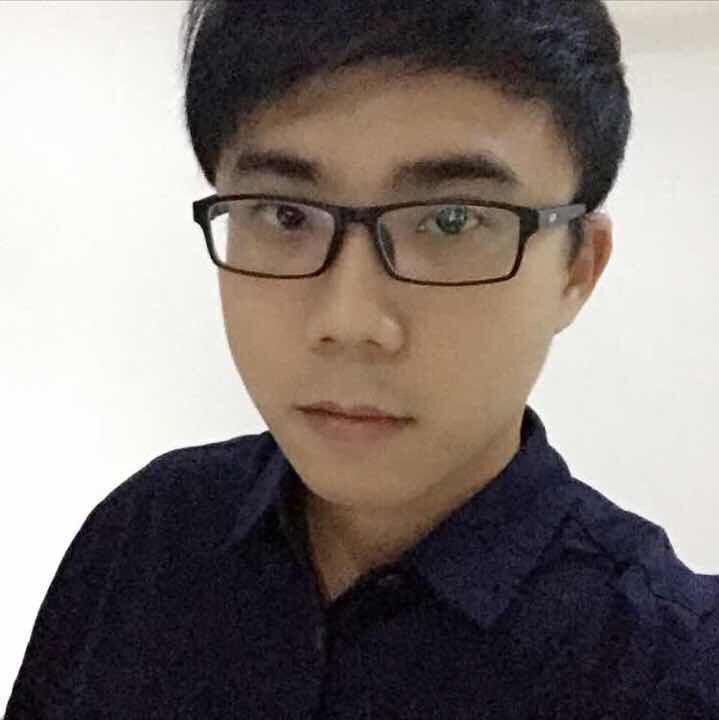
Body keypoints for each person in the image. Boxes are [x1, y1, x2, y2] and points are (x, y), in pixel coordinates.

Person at [5, 0, 718, 717]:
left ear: (577, 270)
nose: (348, 323)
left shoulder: (673, 671)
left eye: (451, 220)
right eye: (284, 214)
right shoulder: (145, 535)